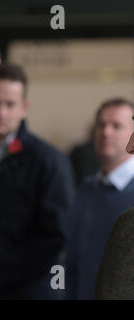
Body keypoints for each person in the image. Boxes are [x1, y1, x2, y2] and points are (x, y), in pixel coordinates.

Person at [0, 63, 75, 299]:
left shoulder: (49, 162)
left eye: (10, 104)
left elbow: (56, 235)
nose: (1, 113)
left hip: (28, 290)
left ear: (24, 108)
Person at [66, 97, 134, 299]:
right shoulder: (84, 192)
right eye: (101, 124)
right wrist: (59, 293)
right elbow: (67, 259)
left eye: (117, 126)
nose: (106, 132)